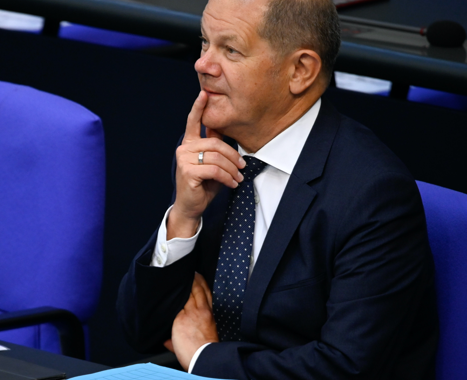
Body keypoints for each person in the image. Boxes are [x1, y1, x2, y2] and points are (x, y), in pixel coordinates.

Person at [116, 0, 439, 378]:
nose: (202, 64)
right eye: (204, 42)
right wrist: (184, 218)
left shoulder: (373, 195)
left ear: (300, 71)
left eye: (230, 49)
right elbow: (143, 331)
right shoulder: (210, 157)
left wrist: (206, 358)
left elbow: (346, 368)